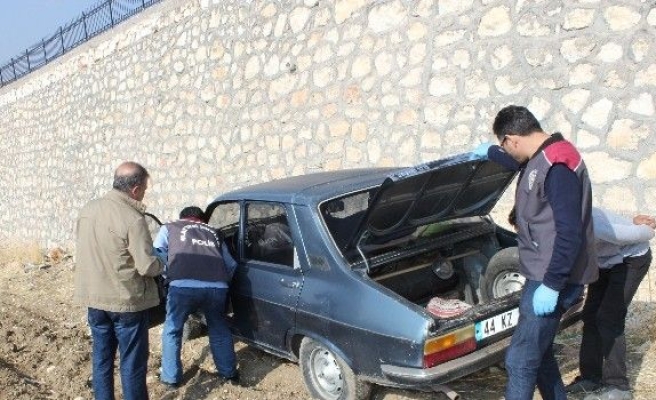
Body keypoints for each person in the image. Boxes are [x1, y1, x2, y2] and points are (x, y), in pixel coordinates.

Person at [483, 105, 599, 400]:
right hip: (544, 273)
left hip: (553, 278)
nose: (507, 154)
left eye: (504, 147)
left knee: (520, 360)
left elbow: (570, 232)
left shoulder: (558, 166)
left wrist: (552, 284)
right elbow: (524, 165)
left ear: (512, 139)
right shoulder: (544, 153)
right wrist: (488, 153)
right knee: (541, 354)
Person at [75, 161, 164, 400]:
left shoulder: (87, 210)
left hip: (94, 299)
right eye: (144, 188)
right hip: (126, 302)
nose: (145, 193)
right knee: (132, 365)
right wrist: (163, 263)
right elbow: (147, 266)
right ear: (135, 189)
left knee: (102, 360)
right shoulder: (133, 218)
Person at [565, 208, 655, 400]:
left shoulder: (593, 225)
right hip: (604, 262)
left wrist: (645, 226)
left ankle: (619, 387)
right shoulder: (558, 224)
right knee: (590, 315)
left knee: (608, 318)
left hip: (631, 259)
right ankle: (591, 377)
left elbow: (644, 233)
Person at [154, 206, 239, 388]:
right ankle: (229, 374)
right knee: (218, 328)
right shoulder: (215, 232)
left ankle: (171, 378)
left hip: (182, 287)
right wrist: (222, 283)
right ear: (202, 220)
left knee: (173, 330)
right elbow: (231, 264)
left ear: (182, 218)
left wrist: (167, 275)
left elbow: (157, 254)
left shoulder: (169, 227)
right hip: (216, 288)